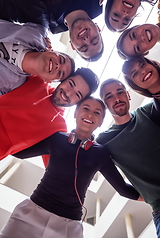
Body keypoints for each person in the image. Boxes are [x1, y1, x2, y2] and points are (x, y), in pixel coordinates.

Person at [0, 96, 141, 238]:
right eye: (85, 108)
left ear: (101, 122)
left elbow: (124, 189)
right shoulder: (57, 138)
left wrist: (154, 197)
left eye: (97, 112)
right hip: (31, 213)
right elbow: (20, 153)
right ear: (75, 113)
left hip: (68, 225)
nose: (90, 114)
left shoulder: (101, 153)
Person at [96, 78, 160, 237]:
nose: (116, 98)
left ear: (128, 95)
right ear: (105, 105)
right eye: (109, 96)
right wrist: (151, 197)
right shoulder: (103, 141)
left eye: (120, 92)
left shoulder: (148, 112)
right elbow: (122, 189)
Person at [0, 67, 99, 167]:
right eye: (71, 84)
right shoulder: (36, 80)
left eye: (77, 95)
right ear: (64, 79)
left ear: (78, 103)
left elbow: (54, 167)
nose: (68, 93)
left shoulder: (59, 129)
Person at [0, 0, 104, 61]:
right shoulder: (95, 0)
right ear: (98, 28)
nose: (86, 39)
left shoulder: (41, 22)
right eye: (94, 40)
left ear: (72, 45)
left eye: (83, 47)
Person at [0, 19, 75, 95]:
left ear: (48, 80)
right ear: (52, 50)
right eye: (61, 60)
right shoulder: (37, 33)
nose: (58, 66)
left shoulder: (13, 85)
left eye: (60, 73)